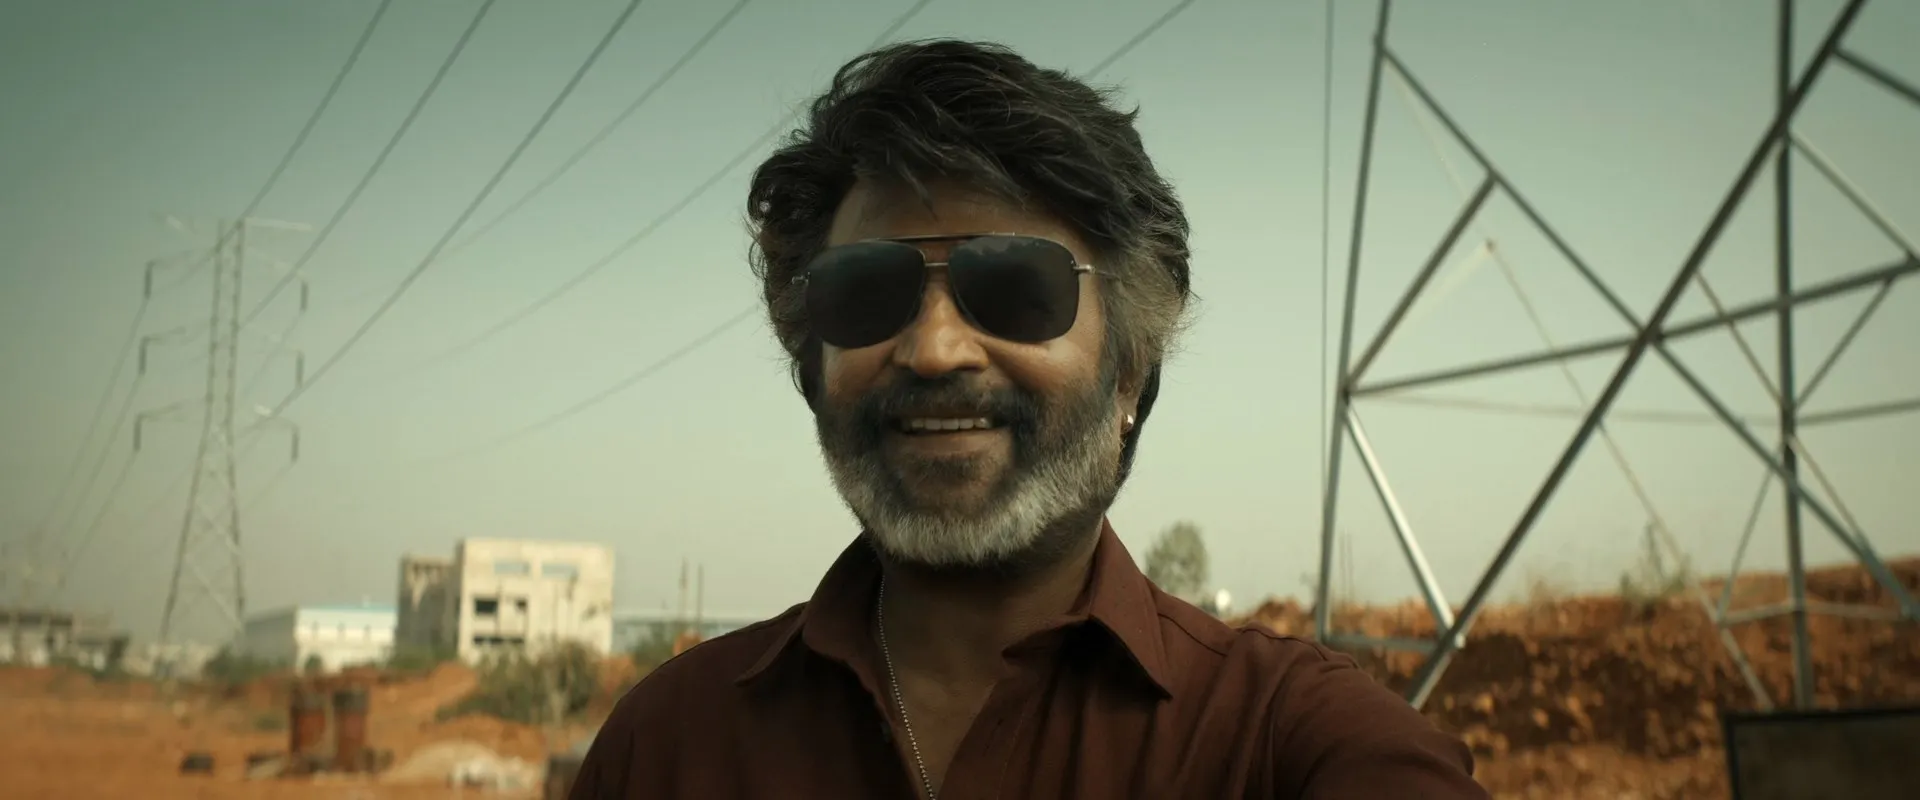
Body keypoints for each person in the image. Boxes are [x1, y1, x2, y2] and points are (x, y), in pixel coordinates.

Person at [571, 39, 1488, 799]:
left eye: (1014, 286)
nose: (935, 349)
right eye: (867, 291)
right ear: (814, 367)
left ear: (1129, 373)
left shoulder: (1283, 743)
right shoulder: (669, 747)